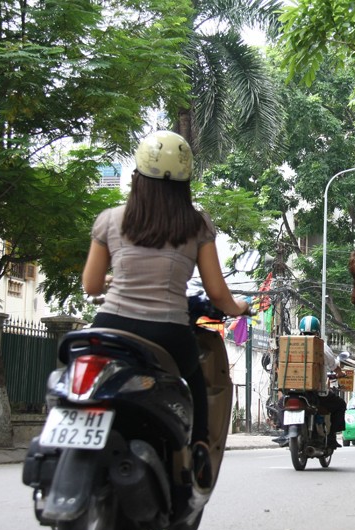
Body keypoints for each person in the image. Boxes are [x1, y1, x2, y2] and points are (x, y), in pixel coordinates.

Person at [82, 130, 251, 489]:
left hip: (109, 328)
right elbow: (217, 293)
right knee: (196, 384)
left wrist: (118, 282)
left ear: (137, 176)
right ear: (186, 181)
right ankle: (200, 448)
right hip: (167, 332)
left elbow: (92, 286)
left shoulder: (110, 219)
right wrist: (240, 307)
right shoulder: (196, 223)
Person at [272, 316, 348, 449]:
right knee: (341, 405)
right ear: (317, 331)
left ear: (300, 330)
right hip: (316, 394)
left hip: (292, 391)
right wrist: (340, 373)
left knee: (281, 403)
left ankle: (285, 432)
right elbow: (333, 366)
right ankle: (331, 438)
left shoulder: (292, 344)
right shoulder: (322, 346)